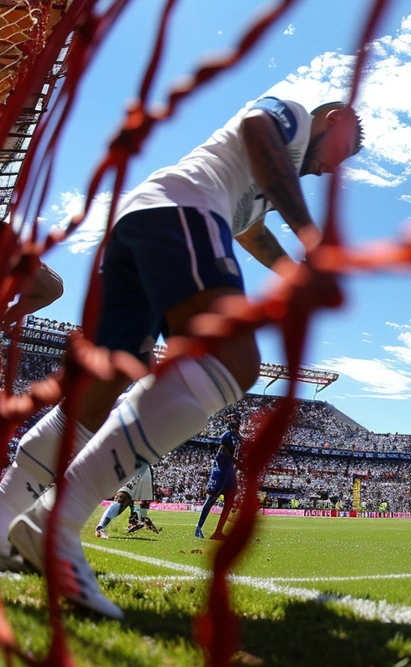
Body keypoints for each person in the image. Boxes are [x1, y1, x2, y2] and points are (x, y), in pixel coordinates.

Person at [2, 96, 363, 617]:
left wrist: (297, 274)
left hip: (141, 221)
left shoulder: (259, 184)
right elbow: (262, 133)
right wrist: (313, 235)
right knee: (235, 362)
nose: (332, 168)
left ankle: (6, 514)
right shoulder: (291, 117)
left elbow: (249, 232)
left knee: (102, 388)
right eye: (341, 152)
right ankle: (53, 524)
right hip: (182, 210)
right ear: (331, 121)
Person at [196, 417, 241, 540]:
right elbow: (223, 451)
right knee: (211, 499)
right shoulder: (227, 436)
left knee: (229, 503)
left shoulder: (239, 438)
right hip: (221, 472)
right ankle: (198, 528)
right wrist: (235, 461)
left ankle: (218, 532)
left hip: (230, 473)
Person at [94, 463, 160, 538]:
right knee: (122, 497)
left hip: (144, 468)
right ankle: (100, 528)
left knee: (140, 499)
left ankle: (134, 521)